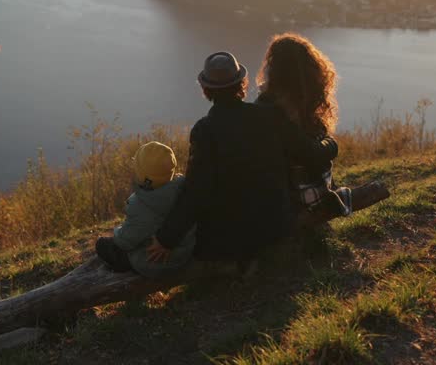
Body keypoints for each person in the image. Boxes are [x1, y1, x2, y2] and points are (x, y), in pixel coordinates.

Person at [147, 51, 337, 267]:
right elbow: (311, 153)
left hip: (227, 242)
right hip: (276, 228)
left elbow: (196, 191)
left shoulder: (205, 131)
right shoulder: (270, 116)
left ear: (205, 89)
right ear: (242, 83)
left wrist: (166, 239)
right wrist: (331, 143)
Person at [256, 33, 352, 217]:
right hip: (298, 193)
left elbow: (310, 153)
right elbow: (313, 153)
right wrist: (331, 143)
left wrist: (330, 145)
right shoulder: (298, 106)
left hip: (284, 194)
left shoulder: (270, 106)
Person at [94, 141, 195, 277]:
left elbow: (125, 241)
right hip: (185, 250)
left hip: (159, 262)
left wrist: (117, 232)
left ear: (142, 175)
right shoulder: (183, 187)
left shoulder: (142, 205)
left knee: (102, 245)